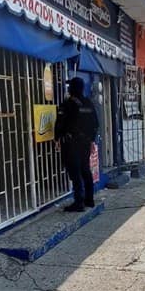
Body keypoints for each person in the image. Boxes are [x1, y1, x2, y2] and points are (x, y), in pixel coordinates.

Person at [55, 77, 99, 212]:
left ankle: (78, 203)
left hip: (71, 143)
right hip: (85, 142)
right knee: (85, 170)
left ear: (71, 88)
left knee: (75, 172)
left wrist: (57, 138)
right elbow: (95, 124)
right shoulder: (88, 103)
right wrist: (92, 140)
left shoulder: (67, 104)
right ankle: (89, 200)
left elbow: (60, 123)